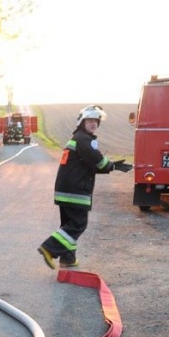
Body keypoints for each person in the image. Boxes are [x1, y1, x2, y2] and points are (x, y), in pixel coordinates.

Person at [38, 105, 132, 269]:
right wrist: (111, 166)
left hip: (66, 190)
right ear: (82, 122)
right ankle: (49, 248)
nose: (93, 123)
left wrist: (112, 166)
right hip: (75, 191)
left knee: (68, 226)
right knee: (78, 225)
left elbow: (90, 165)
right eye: (90, 120)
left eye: (96, 120)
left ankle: (68, 258)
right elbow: (98, 162)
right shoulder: (84, 140)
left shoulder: (78, 138)